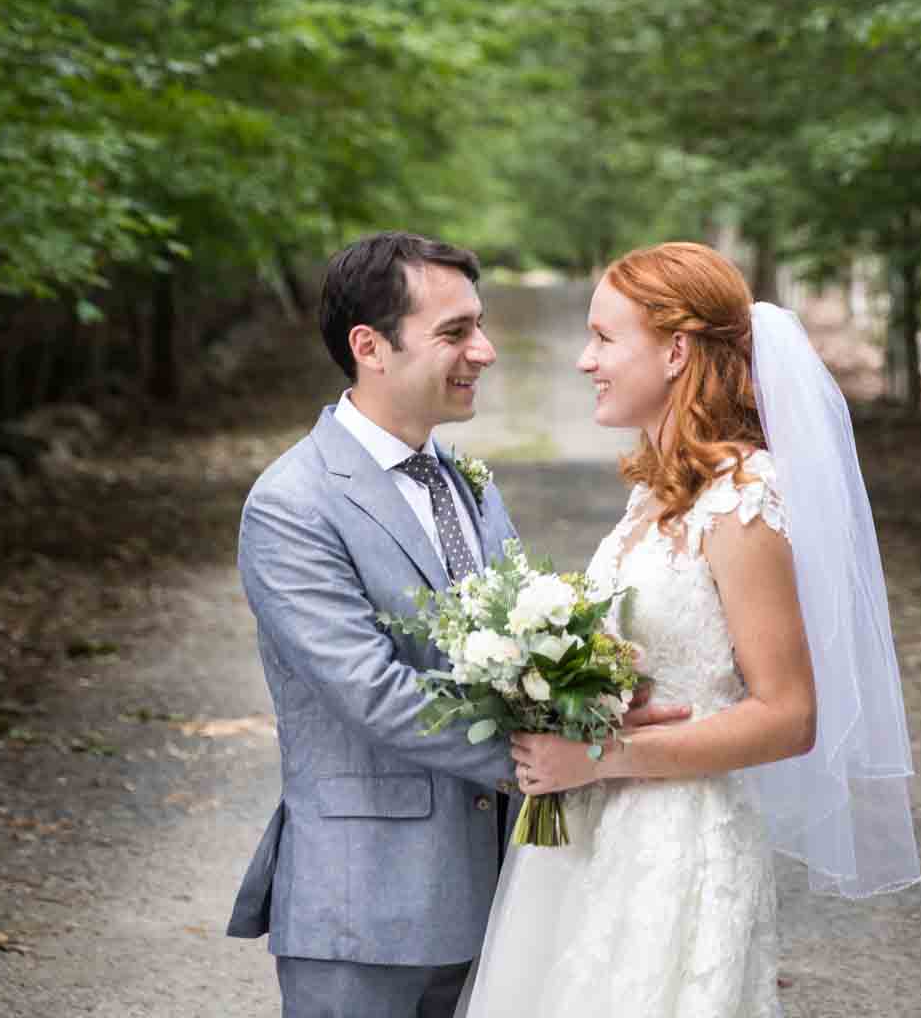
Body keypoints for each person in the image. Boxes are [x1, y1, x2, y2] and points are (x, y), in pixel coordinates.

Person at [226, 230, 688, 1018]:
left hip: (502, 887)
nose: (484, 350)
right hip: (365, 903)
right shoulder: (292, 503)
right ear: (369, 346)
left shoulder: (463, 480)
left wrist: (595, 698)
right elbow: (372, 692)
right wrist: (557, 757)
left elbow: (515, 653)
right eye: (454, 332)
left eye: (478, 325)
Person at [458, 241, 920, 1018]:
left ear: (676, 350)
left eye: (604, 337)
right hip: (596, 831)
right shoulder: (659, 496)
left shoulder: (744, 496)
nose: (583, 360)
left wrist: (598, 755)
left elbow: (789, 715)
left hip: (674, 845)